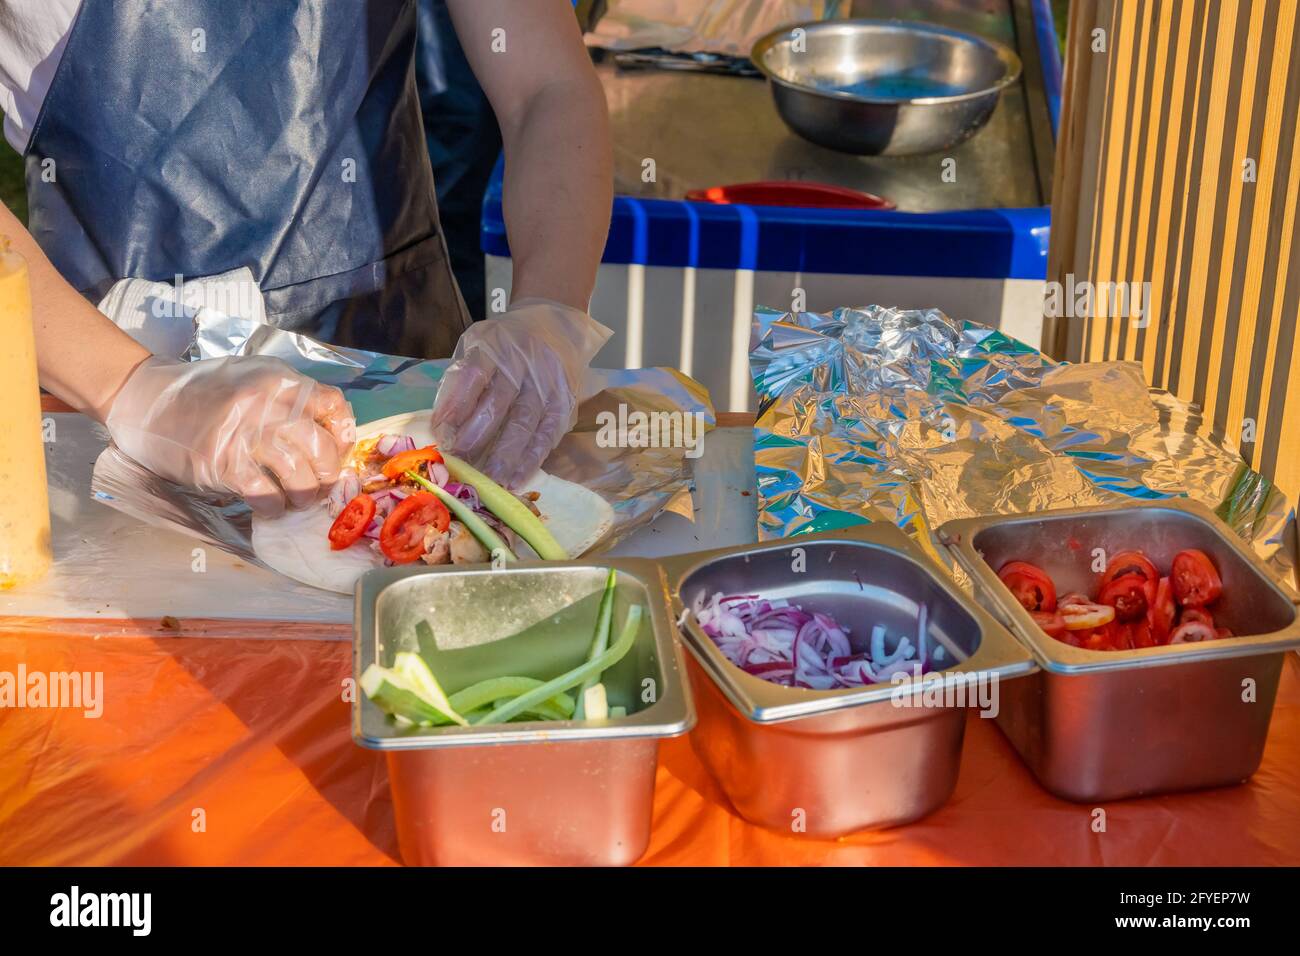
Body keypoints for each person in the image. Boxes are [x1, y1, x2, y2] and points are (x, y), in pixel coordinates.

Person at [0, 0, 613, 515]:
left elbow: (544, 86)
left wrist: (550, 312)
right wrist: (135, 391)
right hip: (99, 391)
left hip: (403, 379)